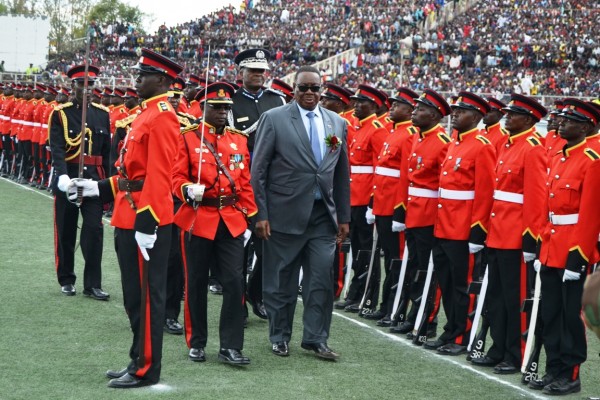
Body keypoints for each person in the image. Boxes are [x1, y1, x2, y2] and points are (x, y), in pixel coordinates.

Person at [72, 48, 184, 388]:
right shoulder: (145, 114)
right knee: (134, 297)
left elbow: (160, 175)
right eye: (138, 74)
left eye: (143, 75)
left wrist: (148, 223)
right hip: (127, 213)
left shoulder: (162, 116)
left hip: (145, 220)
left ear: (162, 80)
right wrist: (95, 188)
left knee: (147, 299)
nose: (136, 80)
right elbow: (131, 174)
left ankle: (146, 368)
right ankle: (137, 358)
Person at [251, 65, 350, 360]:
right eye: (303, 88)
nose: (309, 93)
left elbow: (341, 173)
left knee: (320, 279)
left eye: (314, 88)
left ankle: (316, 339)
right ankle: (279, 336)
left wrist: (343, 217)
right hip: (283, 215)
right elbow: (259, 171)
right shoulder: (274, 118)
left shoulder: (336, 123)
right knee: (281, 281)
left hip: (323, 217)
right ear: (293, 90)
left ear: (322, 90)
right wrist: (261, 213)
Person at [172, 82, 257, 365]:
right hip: (198, 218)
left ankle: (230, 346)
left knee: (234, 283)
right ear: (202, 108)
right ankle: (196, 342)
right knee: (195, 282)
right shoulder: (187, 137)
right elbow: (175, 178)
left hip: (230, 220)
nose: (222, 112)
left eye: (226, 108)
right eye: (216, 107)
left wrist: (249, 217)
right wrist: (186, 190)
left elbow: (244, 183)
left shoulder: (239, 140)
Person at [472, 94, 548, 374]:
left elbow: (536, 199)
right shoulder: (506, 144)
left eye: (512, 114)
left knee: (515, 298)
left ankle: (515, 355)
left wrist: (530, 238)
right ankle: (498, 348)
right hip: (497, 231)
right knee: (497, 296)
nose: (506, 117)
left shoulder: (533, 148)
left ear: (527, 120)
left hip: (516, 235)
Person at [531, 99, 600, 395]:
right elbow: (550, 209)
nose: (563, 124)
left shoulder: (591, 161)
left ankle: (570, 375)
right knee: (551, 314)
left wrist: (579, 256)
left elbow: (589, 215)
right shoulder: (559, 157)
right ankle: (553, 368)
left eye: (571, 121)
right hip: (551, 247)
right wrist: (541, 245)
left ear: (586, 127)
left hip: (572, 249)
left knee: (571, 317)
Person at [423, 91, 496, 355]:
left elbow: (485, 192)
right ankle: (450, 329)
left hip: (463, 228)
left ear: (476, 116)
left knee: (462, 286)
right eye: (454, 111)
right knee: (447, 281)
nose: (454, 115)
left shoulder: (482, 145)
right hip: (444, 225)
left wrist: (478, 231)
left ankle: (461, 337)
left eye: (461, 112)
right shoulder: (455, 142)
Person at [392, 88, 451, 339]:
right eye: (415, 108)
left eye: (422, 109)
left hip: (429, 214)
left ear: (436, 115)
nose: (415, 112)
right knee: (415, 266)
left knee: (428, 269)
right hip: (415, 211)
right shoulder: (418, 137)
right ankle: (413, 314)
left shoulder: (442, 142)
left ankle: (427, 319)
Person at [231, 48, 285, 321]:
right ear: (240, 73)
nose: (258, 75)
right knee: (239, 247)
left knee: (268, 245)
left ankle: (256, 293)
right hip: (240, 182)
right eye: (252, 71)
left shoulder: (278, 100)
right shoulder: (230, 101)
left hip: (271, 184)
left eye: (261, 71)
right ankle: (238, 299)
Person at [48, 65, 110, 299]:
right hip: (69, 178)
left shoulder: (102, 113)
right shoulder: (60, 113)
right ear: (72, 86)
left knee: (94, 230)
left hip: (93, 182)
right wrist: (63, 177)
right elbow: (57, 149)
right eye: (82, 84)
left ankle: (93, 284)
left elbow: (107, 154)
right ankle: (66, 278)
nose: (87, 89)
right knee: (66, 231)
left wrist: (108, 185)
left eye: (91, 84)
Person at [367, 87, 418, 325]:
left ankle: (394, 308)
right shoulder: (393, 132)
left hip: (394, 207)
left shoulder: (409, 134)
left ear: (409, 110)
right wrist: (374, 201)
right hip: (382, 204)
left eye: (398, 105)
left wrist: (400, 210)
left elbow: (405, 176)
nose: (392, 108)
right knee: (389, 259)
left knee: (397, 261)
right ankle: (386, 305)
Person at [338, 84, 388, 315]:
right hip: (352, 194)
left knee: (367, 250)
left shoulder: (376, 129)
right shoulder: (358, 127)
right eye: (355, 102)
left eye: (361, 103)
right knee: (357, 248)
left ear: (374, 107)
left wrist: (372, 199)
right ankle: (355, 293)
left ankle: (366, 297)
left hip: (365, 195)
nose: (355, 106)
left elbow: (380, 167)